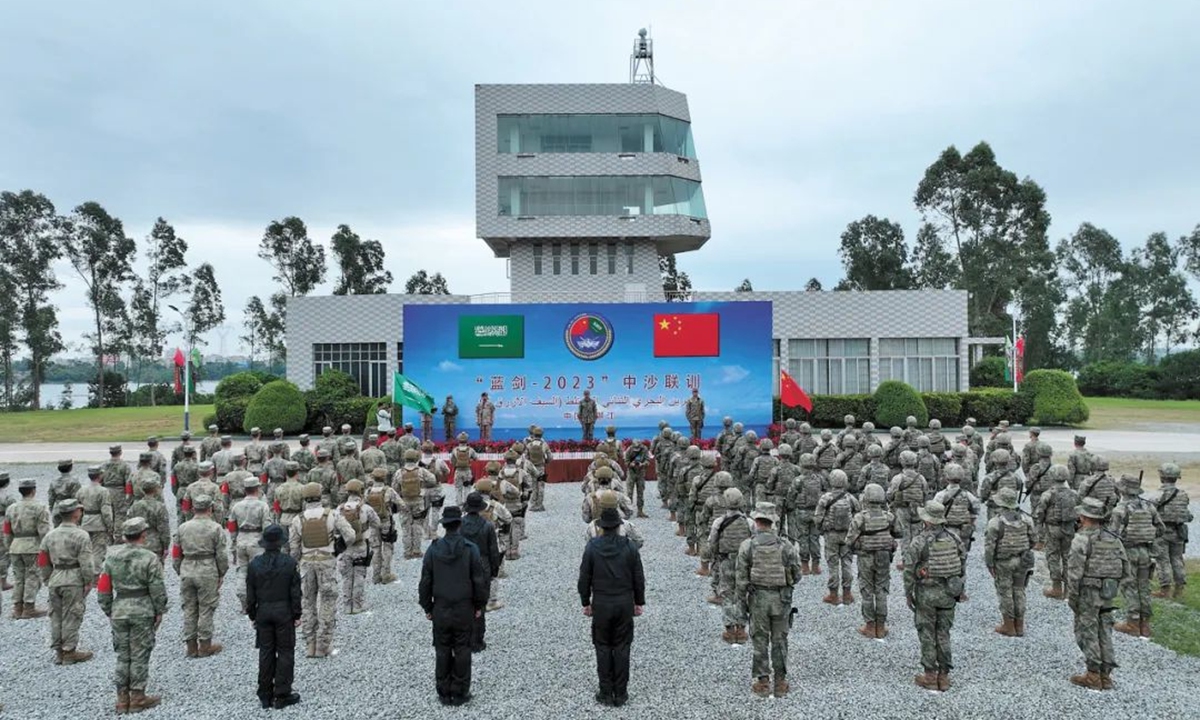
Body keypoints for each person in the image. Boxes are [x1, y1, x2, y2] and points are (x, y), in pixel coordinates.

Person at [420, 506, 489, 706]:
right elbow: (479, 580)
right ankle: (460, 692)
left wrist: (427, 607)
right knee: (462, 648)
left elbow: (425, 581)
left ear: (444, 526)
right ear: (459, 524)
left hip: (440, 607)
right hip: (464, 607)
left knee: (442, 649)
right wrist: (479, 605)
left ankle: (443, 692)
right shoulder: (470, 549)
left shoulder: (433, 550)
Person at [98, 517, 168, 713]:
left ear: (124, 536)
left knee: (122, 655)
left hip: (120, 608)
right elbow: (157, 587)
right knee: (139, 654)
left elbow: (103, 587)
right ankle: (137, 697)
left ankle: (121, 699)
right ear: (143, 535)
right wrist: (159, 610)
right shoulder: (149, 558)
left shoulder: (111, 558)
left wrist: (109, 609)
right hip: (143, 609)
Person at [578, 505, 646, 707]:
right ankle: (621, 692)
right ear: (618, 526)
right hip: (624, 602)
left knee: (602, 646)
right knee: (622, 646)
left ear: (601, 527)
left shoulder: (592, 547)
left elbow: (584, 578)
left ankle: (606, 692)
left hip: (601, 602)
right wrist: (639, 601)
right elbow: (638, 578)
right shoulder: (629, 547)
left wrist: (585, 602)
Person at [736, 501, 800, 698]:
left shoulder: (748, 546)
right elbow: (796, 575)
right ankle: (780, 682)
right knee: (780, 640)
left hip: (758, 598)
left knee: (760, 639)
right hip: (781, 599)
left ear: (756, 521)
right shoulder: (786, 545)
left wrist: (742, 604)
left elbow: (741, 579)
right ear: (773, 522)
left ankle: (763, 681)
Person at [1066, 497, 1130, 690]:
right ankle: (1106, 675)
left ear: (1084, 516)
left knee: (1087, 631)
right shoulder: (1113, 538)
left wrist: (1073, 597)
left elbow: (1074, 572)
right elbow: (1125, 568)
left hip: (1088, 591)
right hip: (1108, 591)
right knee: (1105, 629)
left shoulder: (1082, 539)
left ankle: (1093, 675)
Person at [903, 501, 966, 692]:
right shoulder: (955, 539)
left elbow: (908, 570)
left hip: (927, 594)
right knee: (944, 633)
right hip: (948, 594)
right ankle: (944, 677)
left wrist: (908, 593)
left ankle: (930, 675)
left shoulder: (919, 541)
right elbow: (962, 564)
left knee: (927, 633)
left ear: (927, 520)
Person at [289, 482, 356, 658]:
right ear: (321, 496)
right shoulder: (332, 515)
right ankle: (323, 645)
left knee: (308, 603)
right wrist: (337, 548)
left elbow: (294, 549)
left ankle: (310, 644)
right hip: (326, 562)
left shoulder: (298, 519)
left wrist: (297, 564)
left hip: (306, 564)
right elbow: (350, 535)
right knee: (327, 601)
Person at [246, 524, 303, 709]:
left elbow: (250, 594)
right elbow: (295, 592)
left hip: (263, 612)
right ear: (280, 543)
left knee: (266, 652)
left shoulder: (254, 564)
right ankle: (282, 693)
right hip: (283, 612)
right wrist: (297, 614)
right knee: (286, 651)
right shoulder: (289, 563)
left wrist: (252, 614)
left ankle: (265, 693)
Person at [39, 499, 96, 664]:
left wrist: (48, 578)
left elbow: (43, 560)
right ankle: (69, 651)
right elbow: (86, 562)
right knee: (72, 614)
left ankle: (59, 651)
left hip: (56, 576)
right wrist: (88, 581)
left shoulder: (50, 535)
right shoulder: (81, 535)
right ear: (75, 514)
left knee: (56, 615)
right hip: (73, 578)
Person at [173, 493, 230, 658]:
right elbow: (221, 555)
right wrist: (221, 573)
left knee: (189, 607)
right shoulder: (215, 528)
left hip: (187, 568)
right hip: (207, 570)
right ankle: (205, 645)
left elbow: (176, 554)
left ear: (193, 509)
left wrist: (180, 570)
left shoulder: (182, 528)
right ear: (210, 509)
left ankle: (191, 646)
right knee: (206, 607)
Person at [1110, 474, 1165, 638]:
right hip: (1146, 552)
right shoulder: (1149, 507)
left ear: (1123, 489)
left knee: (1129, 586)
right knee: (1144, 587)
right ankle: (1145, 625)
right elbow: (1161, 528)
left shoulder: (1120, 509)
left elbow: (1113, 535)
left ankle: (1132, 623)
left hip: (1128, 552)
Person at [845, 483, 902, 639]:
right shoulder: (889, 516)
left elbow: (849, 540)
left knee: (867, 591)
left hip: (865, 557)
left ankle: (869, 626)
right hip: (884, 557)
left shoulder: (860, 517)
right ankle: (881, 627)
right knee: (882, 590)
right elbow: (899, 532)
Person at [983, 487, 1034, 637]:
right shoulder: (1026, 519)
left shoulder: (995, 522)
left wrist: (990, 564)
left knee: (1005, 592)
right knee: (1019, 590)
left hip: (1003, 562)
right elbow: (1034, 539)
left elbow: (989, 547)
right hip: (1023, 561)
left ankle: (1008, 625)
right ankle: (1020, 625)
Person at [459, 492, 501, 652]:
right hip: (482, 565)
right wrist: (494, 570)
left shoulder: (459, 525)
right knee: (480, 604)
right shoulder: (488, 526)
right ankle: (477, 640)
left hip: (464, 566)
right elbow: (493, 551)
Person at [711, 487, 753, 644]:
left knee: (727, 594)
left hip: (726, 561)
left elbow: (712, 543)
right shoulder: (749, 522)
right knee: (742, 593)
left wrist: (717, 557)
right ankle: (741, 629)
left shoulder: (719, 522)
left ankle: (729, 630)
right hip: (744, 562)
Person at [4, 477, 50, 619]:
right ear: (33, 490)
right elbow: (43, 531)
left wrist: (10, 546)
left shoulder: (11, 508)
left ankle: (17, 607)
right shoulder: (40, 507)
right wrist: (47, 549)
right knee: (32, 576)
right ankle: (29, 607)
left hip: (15, 546)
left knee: (19, 578)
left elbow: (7, 531)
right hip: (33, 546)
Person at [815, 469, 859, 605]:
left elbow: (817, 517)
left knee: (832, 564)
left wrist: (821, 529)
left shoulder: (826, 498)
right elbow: (858, 514)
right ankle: (847, 594)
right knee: (847, 563)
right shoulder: (850, 497)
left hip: (831, 534)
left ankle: (833, 594)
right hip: (847, 534)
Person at [1034, 465, 1078, 600]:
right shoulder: (1074, 494)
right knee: (1068, 558)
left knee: (1053, 557)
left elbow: (1039, 513)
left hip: (1052, 529)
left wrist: (1039, 532)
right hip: (1069, 529)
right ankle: (1069, 591)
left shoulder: (1047, 494)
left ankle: (1056, 588)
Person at [338, 479, 381, 614]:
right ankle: (357, 605)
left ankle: (346, 606)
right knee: (359, 575)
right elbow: (377, 524)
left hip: (344, 546)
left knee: (346, 577)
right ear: (361, 491)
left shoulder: (340, 509)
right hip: (361, 545)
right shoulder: (366, 508)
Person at [1152, 462, 1193, 599]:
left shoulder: (1156, 495)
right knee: (1177, 559)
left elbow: (1150, 513)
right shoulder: (1183, 495)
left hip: (1162, 532)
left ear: (1162, 476)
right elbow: (1187, 514)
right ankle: (1179, 589)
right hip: (1179, 531)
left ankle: (1165, 590)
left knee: (1162, 561)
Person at [76, 464, 114, 574]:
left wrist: (79, 522)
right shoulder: (103, 491)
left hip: (85, 523)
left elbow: (78, 509)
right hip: (99, 524)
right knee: (98, 550)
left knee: (86, 550)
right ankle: (96, 574)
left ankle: (85, 571)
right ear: (99, 476)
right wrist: (110, 527)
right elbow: (106, 511)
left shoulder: (81, 490)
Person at [125, 479, 170, 563]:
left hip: (138, 543)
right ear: (155, 489)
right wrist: (166, 546)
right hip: (155, 544)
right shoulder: (160, 506)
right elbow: (164, 529)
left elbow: (128, 525)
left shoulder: (135, 506)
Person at [102, 444, 133, 528]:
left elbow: (100, 480)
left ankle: (109, 534)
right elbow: (128, 483)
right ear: (120, 452)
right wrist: (129, 497)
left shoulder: (104, 465)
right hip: (120, 492)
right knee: (120, 515)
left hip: (106, 491)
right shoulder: (125, 466)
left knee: (107, 514)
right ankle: (119, 536)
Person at [48, 459, 80, 527]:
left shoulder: (54, 481)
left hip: (57, 508)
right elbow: (76, 498)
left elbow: (51, 498)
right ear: (70, 468)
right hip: (70, 509)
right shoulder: (74, 481)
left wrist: (51, 509)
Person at [623, 438, 650, 518]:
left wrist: (643, 464)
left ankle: (640, 511)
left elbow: (648, 460)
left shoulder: (644, 449)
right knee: (629, 493)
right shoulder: (629, 450)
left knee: (640, 492)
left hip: (641, 473)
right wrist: (630, 464)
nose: (636, 451)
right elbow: (626, 461)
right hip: (631, 473)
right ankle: (628, 511)